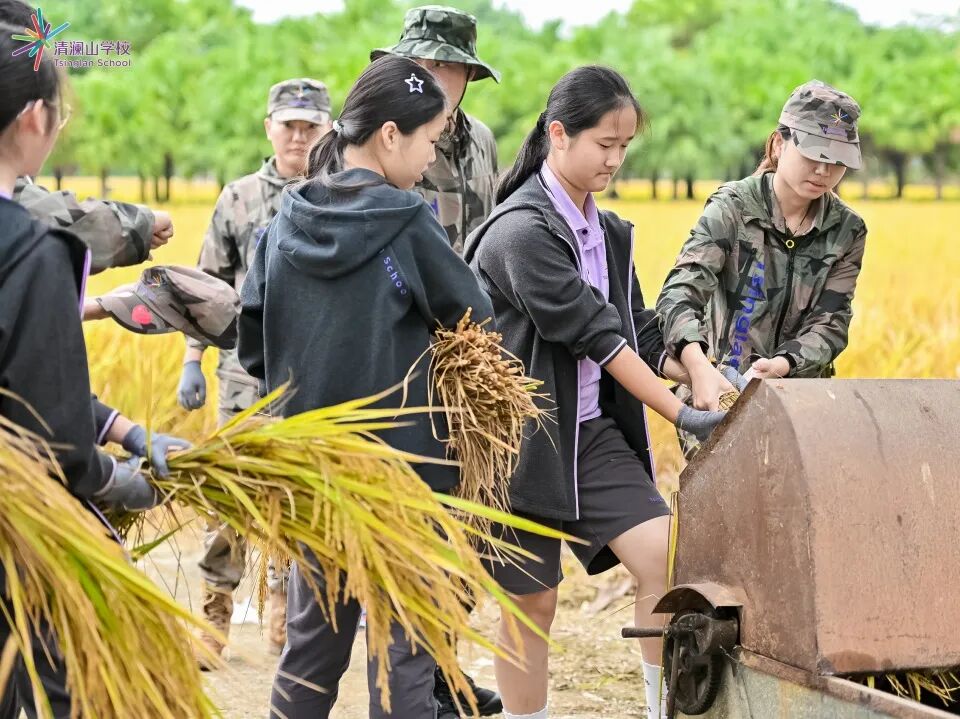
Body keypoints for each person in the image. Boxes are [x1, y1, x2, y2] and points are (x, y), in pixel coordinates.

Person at [463, 66, 727, 719]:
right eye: (604, 143)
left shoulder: (604, 230)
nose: (615, 158)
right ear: (559, 134)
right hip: (519, 446)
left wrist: (694, 365)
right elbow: (598, 338)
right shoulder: (520, 231)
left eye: (625, 145)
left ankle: (659, 707)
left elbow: (636, 323)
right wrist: (687, 413)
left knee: (666, 563)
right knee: (533, 604)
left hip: (591, 435)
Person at [238, 54, 495, 719]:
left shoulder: (281, 220)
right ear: (389, 135)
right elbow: (473, 316)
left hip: (315, 478)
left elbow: (252, 342)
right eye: (431, 141)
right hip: (405, 484)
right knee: (405, 659)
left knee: (311, 654)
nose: (433, 155)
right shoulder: (408, 220)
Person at [0, 25, 179, 718]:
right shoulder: (33, 251)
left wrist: (125, 428)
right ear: (34, 117)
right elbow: (55, 439)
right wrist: (117, 478)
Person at [176, 78, 333, 660]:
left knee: (299, 497)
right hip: (243, 376)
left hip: (316, 379)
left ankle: (282, 604)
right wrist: (192, 361)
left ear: (328, 130)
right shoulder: (237, 198)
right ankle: (215, 609)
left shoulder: (338, 196)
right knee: (230, 499)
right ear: (269, 126)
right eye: (289, 124)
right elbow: (206, 286)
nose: (298, 135)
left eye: (310, 125)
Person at [373, 8, 503, 713]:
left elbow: (484, 241)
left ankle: (442, 666)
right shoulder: (374, 134)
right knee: (408, 536)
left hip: (466, 357)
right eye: (423, 65)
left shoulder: (480, 142)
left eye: (447, 68)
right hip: (396, 354)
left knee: (464, 528)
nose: (434, 78)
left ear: (465, 76)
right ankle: (415, 682)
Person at [656, 79, 867, 443]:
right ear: (779, 143)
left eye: (836, 161)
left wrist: (784, 365)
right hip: (720, 392)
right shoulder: (733, 208)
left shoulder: (847, 229)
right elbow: (679, 294)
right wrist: (697, 367)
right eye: (813, 155)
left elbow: (831, 322)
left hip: (800, 398)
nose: (823, 172)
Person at [373, 5, 499, 255]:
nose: (423, 75)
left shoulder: (482, 138)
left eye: (440, 63)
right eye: (412, 62)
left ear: (469, 72)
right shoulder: (387, 139)